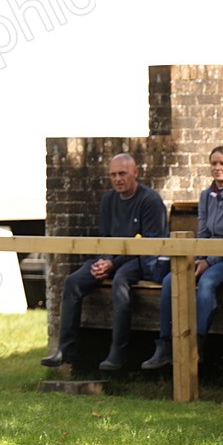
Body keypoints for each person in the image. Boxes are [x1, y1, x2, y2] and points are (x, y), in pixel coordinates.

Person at [41, 153, 168, 371]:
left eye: (122, 174)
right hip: (112, 258)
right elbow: (105, 237)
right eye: (113, 175)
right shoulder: (108, 200)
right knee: (73, 281)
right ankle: (65, 350)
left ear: (135, 173)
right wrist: (105, 260)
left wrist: (113, 264)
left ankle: (117, 353)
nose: (118, 179)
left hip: (142, 260)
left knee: (120, 281)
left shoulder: (150, 200)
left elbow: (148, 245)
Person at [142, 147, 223, 369]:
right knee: (172, 278)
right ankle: (165, 345)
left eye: (222, 163)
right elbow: (204, 233)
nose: (217, 168)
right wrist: (196, 259)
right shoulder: (206, 195)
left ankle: (196, 347)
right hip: (212, 256)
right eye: (213, 163)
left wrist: (209, 262)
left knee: (208, 280)